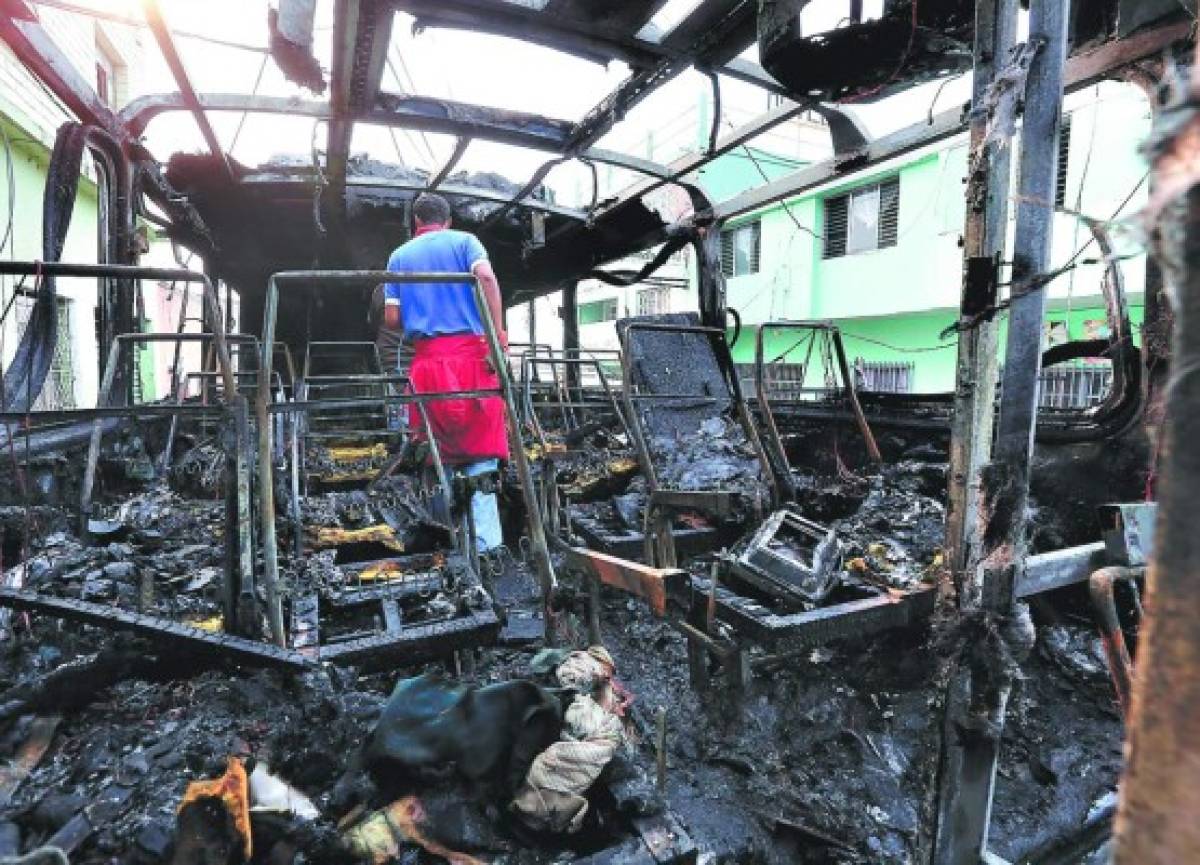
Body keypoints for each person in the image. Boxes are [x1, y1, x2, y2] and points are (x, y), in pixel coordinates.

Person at [381, 192, 509, 551]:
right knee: (480, 454)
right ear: (448, 220)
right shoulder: (466, 241)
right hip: (473, 358)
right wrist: (497, 334)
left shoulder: (399, 256)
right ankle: (485, 549)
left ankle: (446, 542)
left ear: (415, 223)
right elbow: (484, 277)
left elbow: (391, 317)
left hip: (427, 365)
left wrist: (422, 313)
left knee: (437, 454)